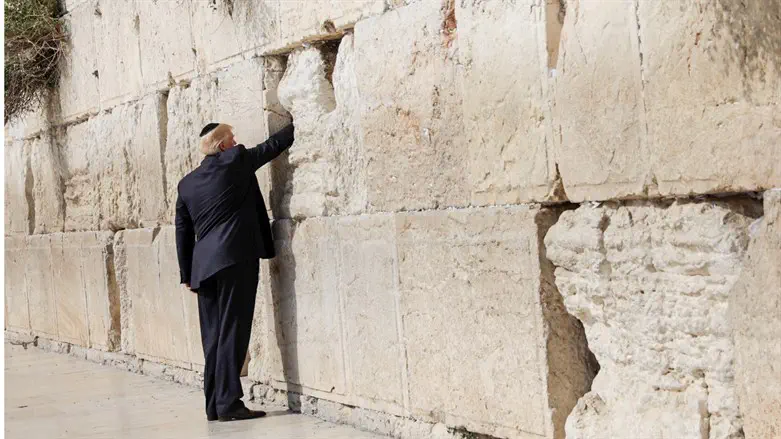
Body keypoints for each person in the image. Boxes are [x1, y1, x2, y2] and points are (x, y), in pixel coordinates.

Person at [175, 122, 294, 422]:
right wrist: (298, 123)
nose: (236, 140)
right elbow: (270, 148)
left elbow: (182, 230)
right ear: (223, 145)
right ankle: (229, 404)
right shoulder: (235, 161)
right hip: (234, 260)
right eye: (232, 137)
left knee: (213, 337)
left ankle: (213, 404)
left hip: (203, 268)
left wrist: (187, 272)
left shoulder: (186, 184)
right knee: (233, 332)